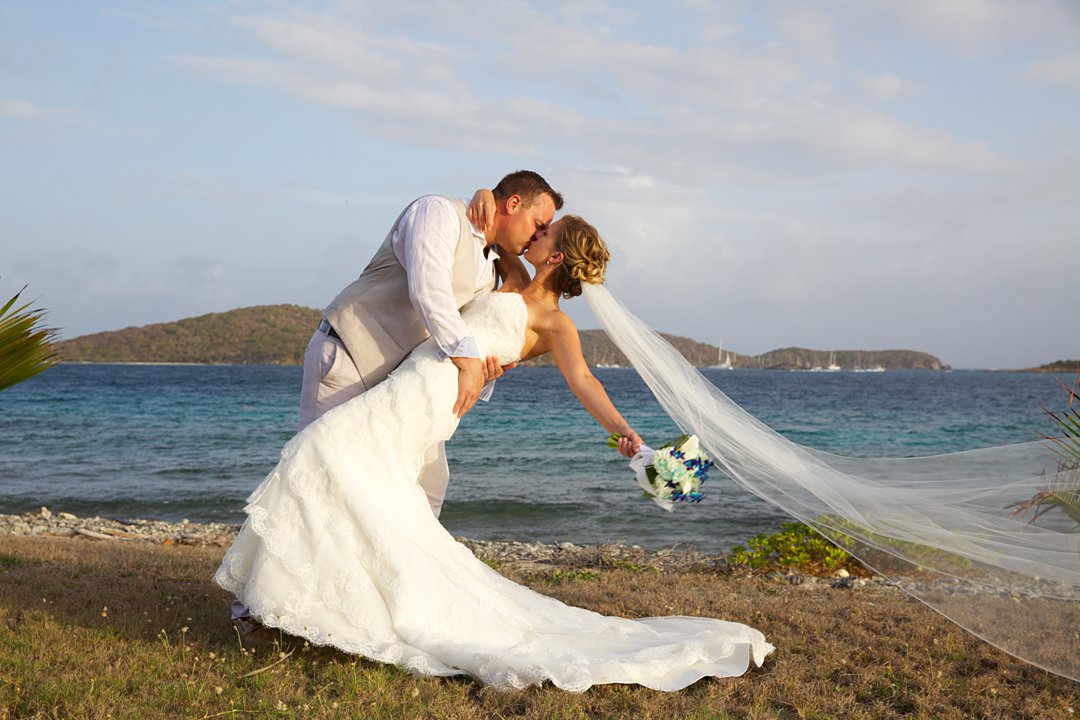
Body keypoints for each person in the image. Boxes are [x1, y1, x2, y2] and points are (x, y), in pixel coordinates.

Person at [214, 214, 772, 690]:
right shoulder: (514, 273)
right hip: (409, 383)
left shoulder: (554, 324)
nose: (537, 232)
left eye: (547, 231)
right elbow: (500, 234)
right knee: (348, 479)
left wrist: (628, 435)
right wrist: (484, 196)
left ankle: (292, 610)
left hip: (432, 400)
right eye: (540, 222)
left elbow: (584, 383)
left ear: (557, 255)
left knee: (323, 454)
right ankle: (308, 607)